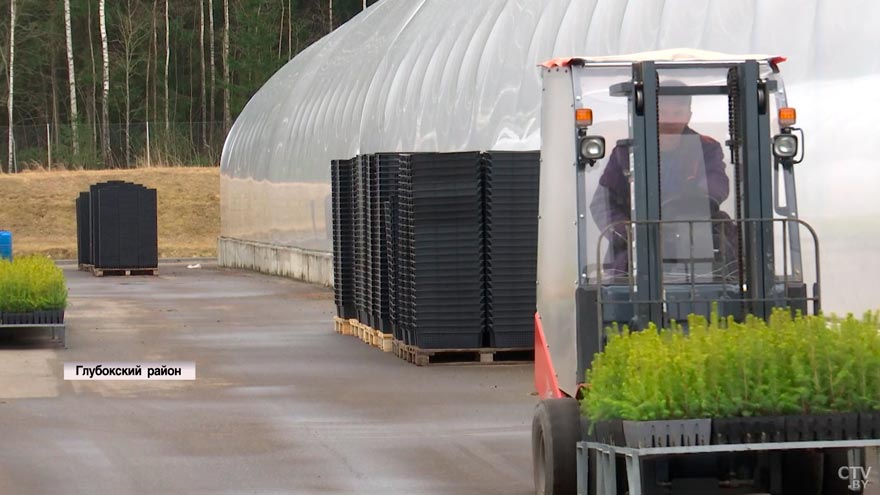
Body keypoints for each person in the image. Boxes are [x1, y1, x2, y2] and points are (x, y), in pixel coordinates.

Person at [590, 85, 736, 278]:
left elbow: (715, 181)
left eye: (677, 112)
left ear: (688, 115)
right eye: (663, 111)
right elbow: (603, 202)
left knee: (731, 255)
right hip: (642, 237)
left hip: (694, 231)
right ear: (651, 113)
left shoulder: (706, 148)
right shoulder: (626, 152)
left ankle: (739, 293)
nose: (670, 120)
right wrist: (626, 231)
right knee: (623, 269)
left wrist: (696, 204)